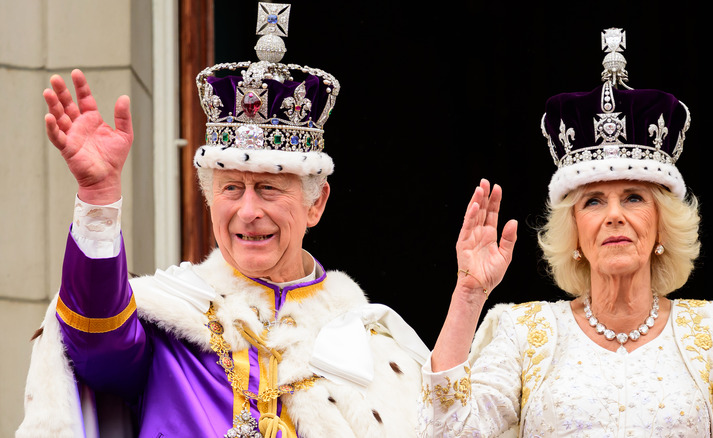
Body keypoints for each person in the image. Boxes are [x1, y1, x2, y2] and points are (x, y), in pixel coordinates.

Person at [17, 3, 428, 437]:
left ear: (316, 203)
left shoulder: (371, 348)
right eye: (231, 188)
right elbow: (95, 343)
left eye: (269, 188)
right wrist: (99, 200)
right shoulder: (170, 322)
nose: (248, 212)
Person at [417, 28, 713, 437]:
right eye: (593, 201)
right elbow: (446, 433)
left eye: (634, 197)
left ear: (662, 224)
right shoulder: (524, 331)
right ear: (574, 230)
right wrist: (469, 295)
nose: (614, 215)